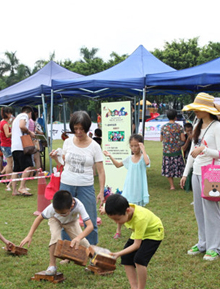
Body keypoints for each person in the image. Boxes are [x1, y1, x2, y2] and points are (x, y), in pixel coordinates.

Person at [180, 93, 220, 261]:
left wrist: (204, 150)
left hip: (212, 175)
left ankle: (215, 247)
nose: (196, 112)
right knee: (199, 210)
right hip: (197, 174)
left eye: (198, 109)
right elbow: (192, 153)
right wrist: (186, 173)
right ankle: (203, 243)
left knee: (211, 211)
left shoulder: (217, 127)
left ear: (207, 110)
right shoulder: (197, 125)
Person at [50, 110, 105, 245]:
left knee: (91, 219)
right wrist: (55, 159)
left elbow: (101, 171)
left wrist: (101, 191)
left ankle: (91, 252)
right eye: (75, 129)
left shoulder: (95, 146)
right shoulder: (68, 142)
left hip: (86, 186)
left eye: (81, 129)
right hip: (66, 184)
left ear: (87, 128)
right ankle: (67, 251)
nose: (79, 132)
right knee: (65, 218)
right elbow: (64, 164)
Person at [104, 193, 164, 289]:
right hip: (138, 233)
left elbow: (137, 245)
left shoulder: (140, 218)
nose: (117, 222)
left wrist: (117, 254)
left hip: (153, 234)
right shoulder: (121, 209)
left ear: (127, 211)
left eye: (118, 219)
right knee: (126, 257)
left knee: (139, 260)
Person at [20, 190, 94, 276]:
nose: (60, 214)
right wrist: (29, 236)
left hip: (71, 222)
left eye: (63, 213)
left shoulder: (79, 205)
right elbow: (39, 218)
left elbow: (90, 226)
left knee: (83, 242)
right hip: (55, 220)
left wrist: (78, 238)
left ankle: (95, 262)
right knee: (55, 238)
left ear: (71, 206)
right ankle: (52, 265)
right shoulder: (52, 208)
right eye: (57, 212)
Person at [103, 134, 150, 238]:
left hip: (139, 189)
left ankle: (137, 230)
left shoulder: (143, 158)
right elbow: (118, 165)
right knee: (122, 209)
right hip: (129, 188)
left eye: (136, 146)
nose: (134, 148)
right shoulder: (129, 158)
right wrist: (110, 156)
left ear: (141, 145)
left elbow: (147, 162)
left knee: (138, 211)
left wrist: (143, 150)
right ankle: (118, 231)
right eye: (132, 146)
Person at [10, 106, 38, 196]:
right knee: (29, 166)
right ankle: (22, 187)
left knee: (16, 169)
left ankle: (14, 191)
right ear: (30, 113)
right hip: (22, 146)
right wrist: (30, 132)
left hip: (14, 146)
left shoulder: (15, 119)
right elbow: (22, 126)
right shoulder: (24, 116)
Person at [160, 109, 185, 190]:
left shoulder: (163, 127)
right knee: (180, 168)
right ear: (175, 117)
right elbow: (183, 139)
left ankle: (172, 186)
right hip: (177, 151)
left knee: (168, 169)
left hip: (167, 152)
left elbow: (161, 139)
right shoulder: (179, 127)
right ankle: (182, 183)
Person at [0, 107, 14, 190]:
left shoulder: (3, 122)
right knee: (9, 164)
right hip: (7, 145)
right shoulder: (4, 123)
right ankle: (8, 180)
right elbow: (7, 134)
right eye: (10, 113)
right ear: (7, 113)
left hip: (5, 144)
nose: (11, 115)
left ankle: (3, 175)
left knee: (8, 163)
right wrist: (14, 131)